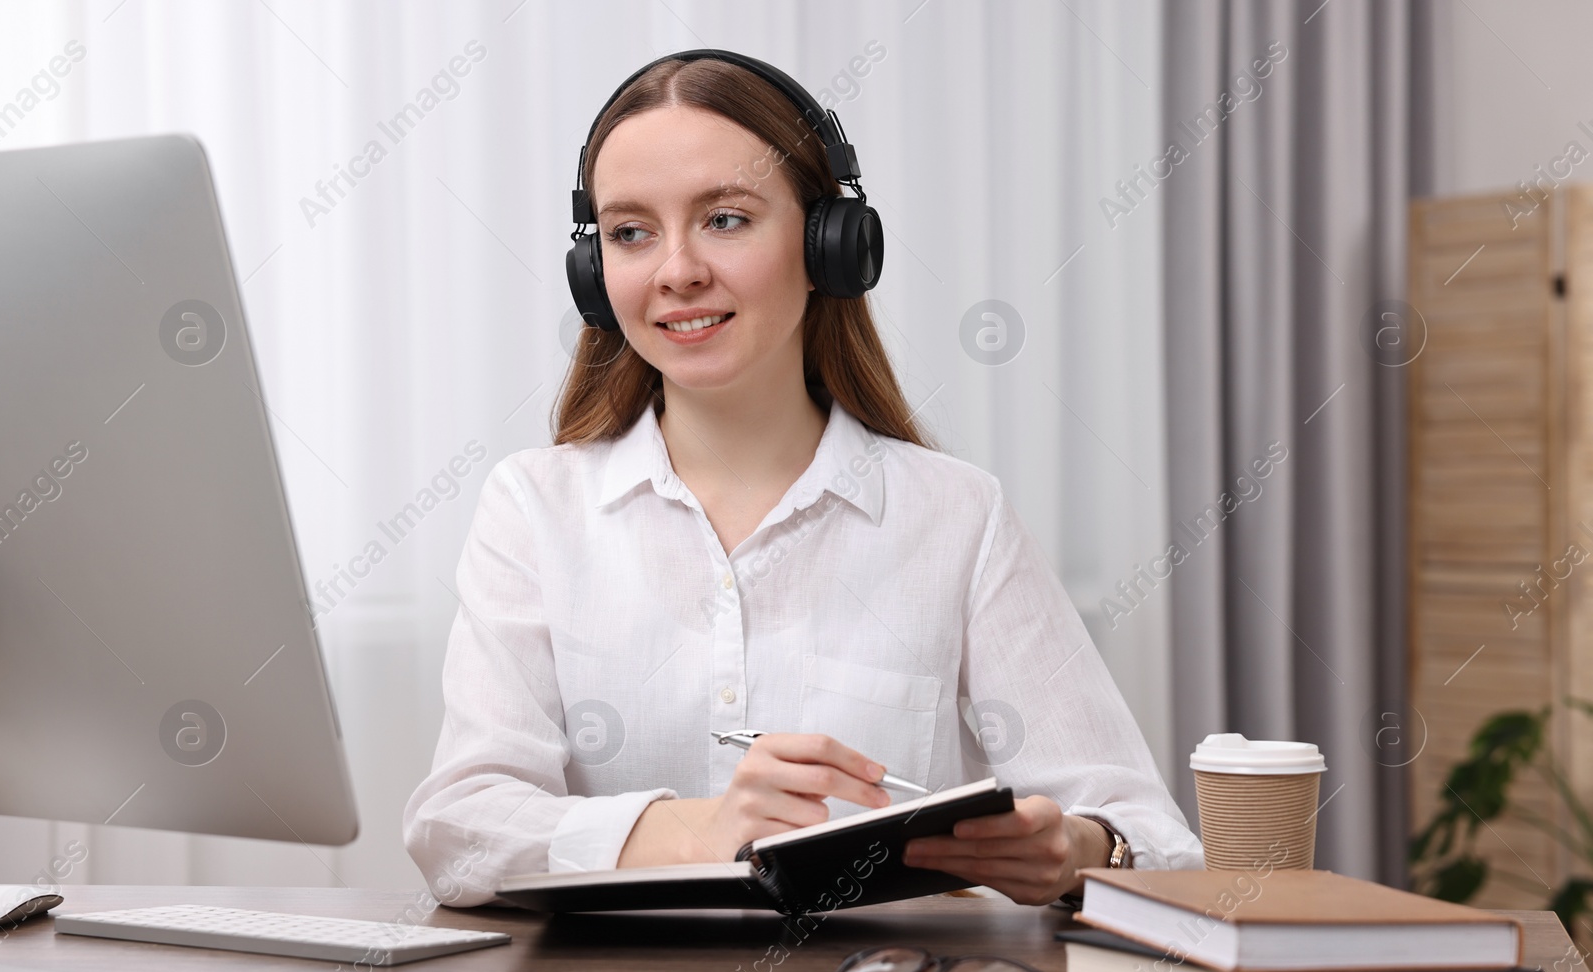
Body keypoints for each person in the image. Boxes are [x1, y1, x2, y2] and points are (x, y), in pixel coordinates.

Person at [403, 53, 1202, 909]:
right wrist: (695, 830)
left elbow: (1153, 837)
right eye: (631, 232)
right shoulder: (535, 508)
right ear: (595, 272)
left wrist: (1080, 847)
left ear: (831, 244)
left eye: (725, 219)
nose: (677, 271)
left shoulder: (957, 516)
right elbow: (459, 831)